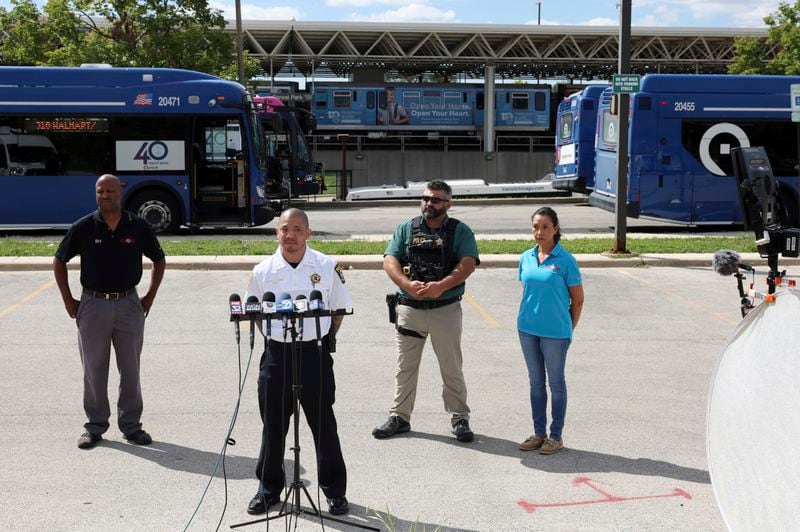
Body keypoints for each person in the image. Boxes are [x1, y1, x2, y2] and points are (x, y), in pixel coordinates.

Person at [245, 208, 351, 517]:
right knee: (273, 426)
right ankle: (268, 489)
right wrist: (275, 337)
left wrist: (323, 338)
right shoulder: (263, 270)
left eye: (296, 230)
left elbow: (339, 308)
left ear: (308, 233)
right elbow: (256, 313)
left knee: (323, 426)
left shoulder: (326, 266)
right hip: (277, 355)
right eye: (284, 229)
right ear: (276, 233)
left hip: (313, 355)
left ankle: (334, 492)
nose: (290, 236)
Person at [53, 174, 166, 450]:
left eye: (110, 190)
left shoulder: (137, 226)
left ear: (120, 193)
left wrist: (149, 296)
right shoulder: (83, 227)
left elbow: (159, 260)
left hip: (129, 304)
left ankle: (131, 426)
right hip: (92, 305)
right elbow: (59, 260)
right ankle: (94, 426)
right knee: (94, 369)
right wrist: (69, 299)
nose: (105, 195)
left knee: (130, 369)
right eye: (100, 191)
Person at [373, 180, 479, 442]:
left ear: (448, 204)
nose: (429, 203)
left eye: (436, 200)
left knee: (451, 367)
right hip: (410, 309)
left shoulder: (459, 231)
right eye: (426, 198)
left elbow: (467, 264)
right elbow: (390, 260)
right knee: (405, 367)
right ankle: (399, 417)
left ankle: (460, 418)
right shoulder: (407, 229)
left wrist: (441, 286)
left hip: (445, 309)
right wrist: (406, 285)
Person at [517, 207, 584, 455]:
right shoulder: (526, 257)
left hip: (556, 334)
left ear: (555, 228)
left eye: (545, 226)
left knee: (556, 383)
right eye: (536, 226)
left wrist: (568, 329)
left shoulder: (565, 261)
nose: (539, 232)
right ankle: (538, 433)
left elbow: (577, 301)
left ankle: (555, 436)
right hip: (527, 330)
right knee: (536, 382)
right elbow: (528, 291)